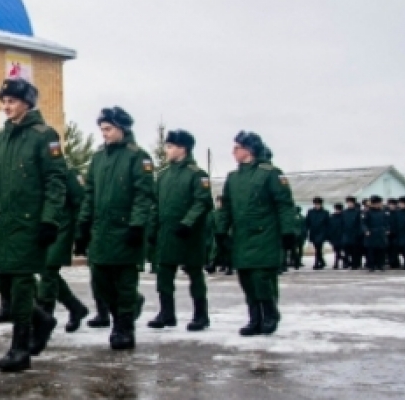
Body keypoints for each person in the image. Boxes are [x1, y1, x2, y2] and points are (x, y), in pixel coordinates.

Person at [0, 77, 69, 370]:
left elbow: (56, 181)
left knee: (22, 284)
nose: (6, 107)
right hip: (3, 224)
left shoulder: (44, 135)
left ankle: (20, 347)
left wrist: (49, 219)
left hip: (30, 224)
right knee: (2, 280)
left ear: (27, 102)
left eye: (12, 101)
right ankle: (44, 320)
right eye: (3, 102)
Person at [75, 107, 156, 350]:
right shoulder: (98, 158)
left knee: (124, 283)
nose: (104, 134)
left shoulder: (138, 157)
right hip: (101, 230)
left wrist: (137, 225)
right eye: (102, 129)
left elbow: (144, 195)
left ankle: (123, 328)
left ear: (122, 129)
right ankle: (129, 307)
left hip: (125, 231)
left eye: (108, 129)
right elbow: (89, 194)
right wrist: (83, 225)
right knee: (100, 281)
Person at [221, 132, 296, 336]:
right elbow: (225, 207)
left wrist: (288, 230)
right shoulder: (233, 177)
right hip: (242, 236)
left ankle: (270, 314)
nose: (233, 152)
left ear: (249, 150)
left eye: (237, 147)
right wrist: (221, 231)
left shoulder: (270, 173)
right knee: (246, 278)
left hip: (265, 235)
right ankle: (254, 319)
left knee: (262, 278)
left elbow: (284, 205)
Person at [146, 129, 213, 331]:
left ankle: (201, 315)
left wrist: (187, 223)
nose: (166, 150)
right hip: (166, 233)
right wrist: (152, 228)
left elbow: (202, 202)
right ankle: (166, 313)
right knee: (164, 273)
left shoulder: (197, 175)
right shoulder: (163, 175)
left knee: (194, 273)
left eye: (170, 146)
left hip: (189, 234)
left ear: (182, 149)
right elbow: (155, 204)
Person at [36, 131, 90, 344]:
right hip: (42, 229)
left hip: (61, 230)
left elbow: (80, 203)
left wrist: (79, 235)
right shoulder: (37, 171)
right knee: (45, 271)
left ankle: (45, 315)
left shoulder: (68, 173)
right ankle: (75, 307)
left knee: (49, 271)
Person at [361, 195, 389, 271]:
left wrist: (387, 229)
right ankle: (371, 265)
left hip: (381, 234)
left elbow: (387, 223)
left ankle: (381, 265)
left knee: (381, 251)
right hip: (371, 234)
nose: (378, 205)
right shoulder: (367, 213)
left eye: (379, 203)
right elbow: (363, 223)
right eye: (376, 203)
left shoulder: (383, 212)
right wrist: (366, 230)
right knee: (371, 251)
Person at [305, 197, 330, 270]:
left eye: (318, 204)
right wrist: (306, 230)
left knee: (318, 247)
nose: (317, 205)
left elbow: (328, 223)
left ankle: (316, 263)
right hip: (313, 232)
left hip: (322, 232)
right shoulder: (310, 212)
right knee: (317, 247)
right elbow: (307, 222)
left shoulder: (325, 212)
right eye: (316, 204)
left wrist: (327, 233)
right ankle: (322, 261)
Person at [390, 197, 405, 270]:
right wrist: (392, 231)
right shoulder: (396, 213)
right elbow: (393, 223)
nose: (401, 205)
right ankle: (395, 263)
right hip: (397, 234)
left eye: (402, 203)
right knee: (395, 249)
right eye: (400, 203)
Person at [341, 197, 362, 269]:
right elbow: (342, 223)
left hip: (355, 234)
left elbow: (360, 223)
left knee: (355, 250)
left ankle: (355, 264)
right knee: (346, 250)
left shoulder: (358, 212)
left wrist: (359, 233)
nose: (349, 204)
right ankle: (347, 262)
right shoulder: (344, 212)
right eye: (348, 203)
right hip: (346, 234)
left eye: (351, 203)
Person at [287, 205, 306, 270]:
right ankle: (298, 262)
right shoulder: (302, 218)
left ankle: (292, 261)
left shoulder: (291, 218)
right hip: (301, 236)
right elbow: (304, 228)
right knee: (299, 249)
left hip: (293, 236)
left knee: (293, 249)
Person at [328, 202, 345, 269]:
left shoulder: (344, 216)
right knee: (336, 251)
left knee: (341, 251)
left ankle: (337, 263)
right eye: (336, 209)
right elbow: (329, 226)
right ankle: (344, 260)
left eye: (339, 209)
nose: (337, 211)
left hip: (342, 236)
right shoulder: (332, 217)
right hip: (334, 236)